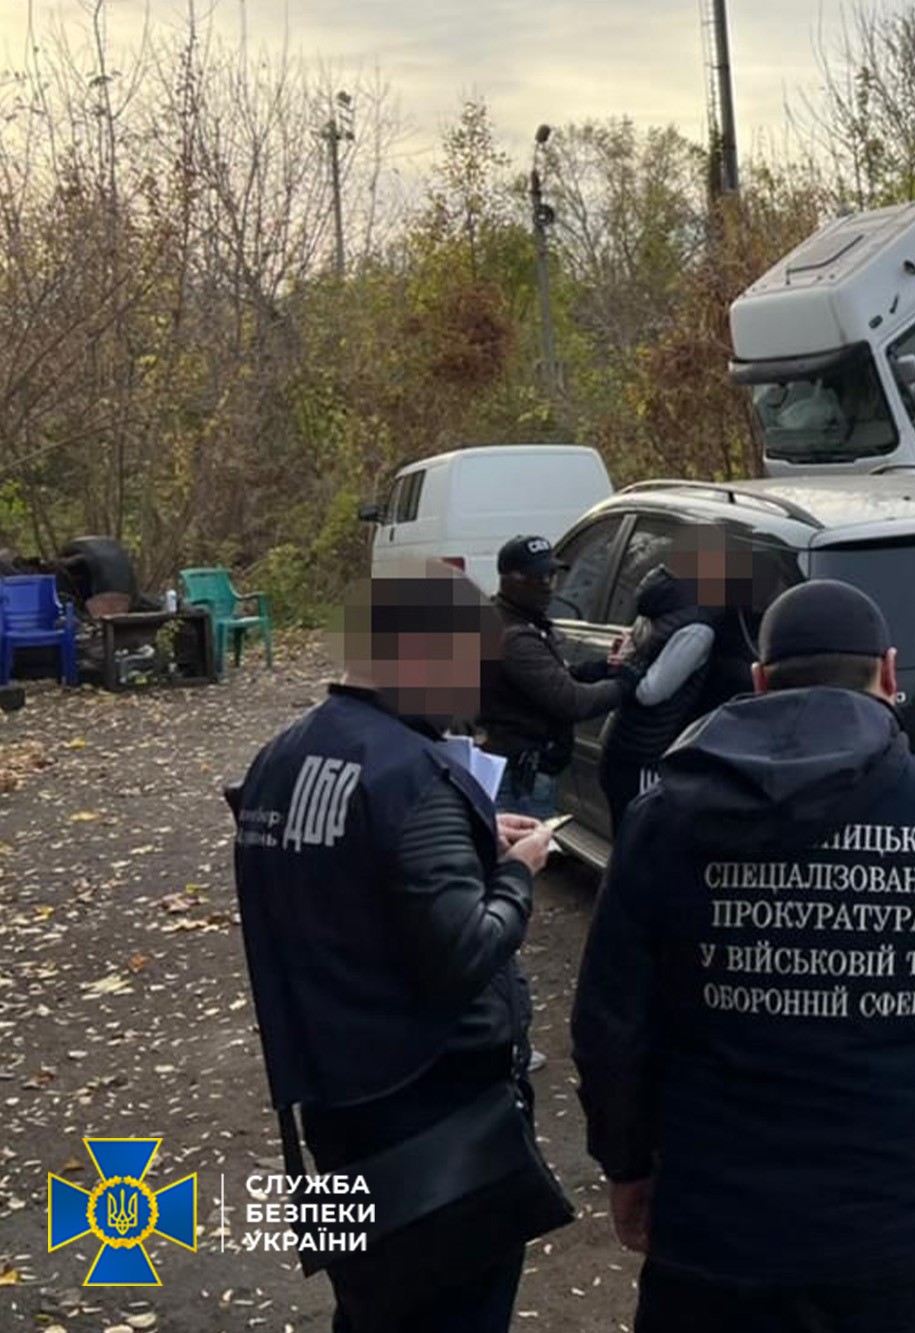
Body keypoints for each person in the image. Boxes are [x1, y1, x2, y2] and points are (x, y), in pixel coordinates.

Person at [571, 578, 915, 1333]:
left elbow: (611, 1023)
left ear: (760, 682)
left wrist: (627, 1164)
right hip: (909, 1246)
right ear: (890, 675)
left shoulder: (665, 820)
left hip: (718, 1239)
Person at [226, 560, 569, 1333]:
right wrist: (517, 873)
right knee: (450, 1310)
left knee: (372, 1302)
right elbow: (464, 954)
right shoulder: (413, 773)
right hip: (437, 1115)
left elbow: (345, 866)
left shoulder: (282, 755)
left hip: (332, 1093)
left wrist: (468, 836)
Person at [477, 534, 630, 819]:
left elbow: (552, 678)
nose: (547, 585)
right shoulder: (514, 637)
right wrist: (627, 684)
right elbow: (571, 701)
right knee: (522, 846)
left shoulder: (518, 622)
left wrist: (603, 668)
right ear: (511, 579)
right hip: (519, 782)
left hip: (519, 774)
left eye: (551, 576)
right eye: (537, 578)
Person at [597, 565, 718, 833]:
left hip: (623, 742)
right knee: (638, 835)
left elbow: (637, 671)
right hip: (644, 754)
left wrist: (625, 661)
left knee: (627, 832)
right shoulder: (694, 628)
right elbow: (649, 692)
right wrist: (625, 663)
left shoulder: (660, 610)